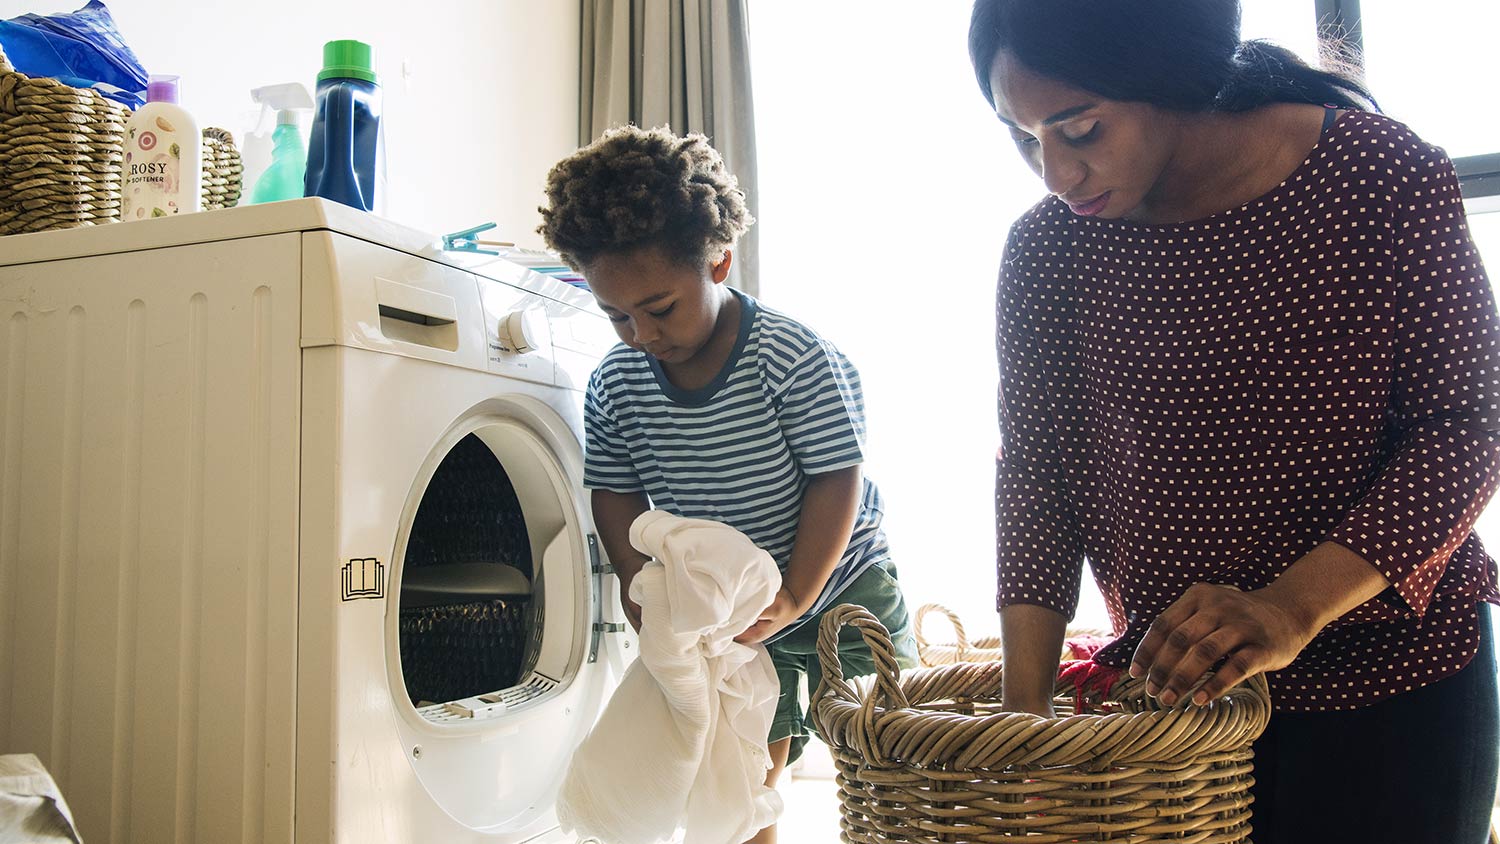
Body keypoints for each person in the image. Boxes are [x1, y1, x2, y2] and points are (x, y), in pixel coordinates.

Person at [970, 1, 1500, 841]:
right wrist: (1025, 714)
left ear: (1168, 74)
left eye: (1080, 129)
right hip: (1178, 717)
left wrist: (1290, 607)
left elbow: (1466, 427)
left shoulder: (1378, 176)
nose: (1055, 174)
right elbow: (1037, 475)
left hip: (1394, 685)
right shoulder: (1049, 250)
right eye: (1024, 137)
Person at [537, 125, 918, 844]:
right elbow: (615, 492)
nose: (642, 334)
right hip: (729, 608)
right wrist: (634, 579)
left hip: (840, 580)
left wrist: (799, 594)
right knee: (742, 764)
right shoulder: (616, 384)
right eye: (615, 315)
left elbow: (836, 478)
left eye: (660, 308)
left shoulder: (788, 356)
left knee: (888, 735)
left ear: (718, 262)